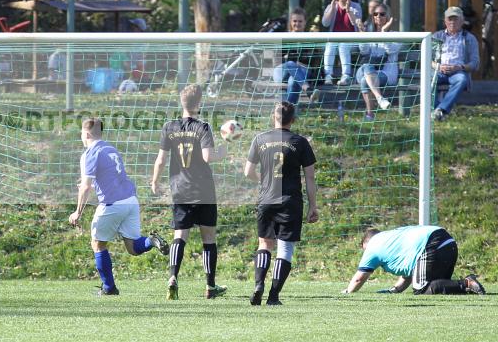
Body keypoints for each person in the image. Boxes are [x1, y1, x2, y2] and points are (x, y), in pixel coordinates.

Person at [69, 118, 168, 296]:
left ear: (87, 133)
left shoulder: (90, 153)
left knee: (98, 244)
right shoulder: (110, 148)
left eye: (82, 133)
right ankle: (151, 241)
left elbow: (86, 186)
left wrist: (78, 211)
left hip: (112, 204)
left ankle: (109, 288)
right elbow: (107, 175)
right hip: (130, 201)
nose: (81, 137)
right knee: (133, 247)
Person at [151, 85, 228, 300]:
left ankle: (173, 277)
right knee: (208, 238)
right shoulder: (202, 127)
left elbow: (161, 159)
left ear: (181, 102)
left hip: (179, 189)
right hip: (203, 190)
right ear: (199, 103)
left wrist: (155, 180)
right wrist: (222, 152)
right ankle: (210, 287)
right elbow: (207, 157)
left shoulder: (169, 127)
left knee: (179, 235)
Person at [244, 101, 318, 306]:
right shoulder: (300, 142)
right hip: (290, 201)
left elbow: (247, 172)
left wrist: (264, 181)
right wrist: (313, 206)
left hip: (266, 199)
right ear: (293, 120)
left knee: (264, 244)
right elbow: (310, 178)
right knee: (285, 249)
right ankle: (273, 296)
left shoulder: (260, 139)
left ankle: (258, 284)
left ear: (273, 118)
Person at [342, 225, 486, 296]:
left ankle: (467, 282)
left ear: (365, 244)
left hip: (432, 243)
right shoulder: (391, 239)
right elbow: (411, 271)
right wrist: (395, 290)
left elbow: (359, 279)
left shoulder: (373, 245)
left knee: (421, 288)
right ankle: (469, 286)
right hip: (448, 242)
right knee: (436, 287)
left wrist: (348, 292)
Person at [431, 6, 480, 121]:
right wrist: (438, 66)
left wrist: (459, 67)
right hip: (439, 71)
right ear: (445, 21)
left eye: (456, 19)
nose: (452, 22)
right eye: (450, 19)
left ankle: (440, 110)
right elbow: (427, 59)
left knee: (462, 80)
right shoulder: (436, 36)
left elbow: (475, 63)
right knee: (427, 80)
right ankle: (437, 111)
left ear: (462, 21)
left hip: (458, 72)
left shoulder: (469, 38)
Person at [355, 2, 399, 121]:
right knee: (367, 67)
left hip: (386, 73)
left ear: (388, 17)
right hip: (365, 70)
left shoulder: (396, 35)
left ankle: (370, 115)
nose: (378, 16)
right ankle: (380, 98)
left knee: (365, 80)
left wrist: (384, 33)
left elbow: (390, 50)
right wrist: (362, 34)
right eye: (375, 14)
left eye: (382, 14)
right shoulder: (370, 34)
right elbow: (364, 51)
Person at [272, 7, 320, 105]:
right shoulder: (285, 37)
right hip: (282, 71)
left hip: (302, 70)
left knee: (293, 80)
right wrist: (295, 61)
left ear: (305, 22)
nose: (297, 24)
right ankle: (307, 89)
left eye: (300, 21)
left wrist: (292, 59)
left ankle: (289, 110)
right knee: (290, 64)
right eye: (294, 21)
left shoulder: (310, 39)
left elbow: (312, 59)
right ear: (290, 22)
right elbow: (277, 59)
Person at [321, 0, 363, 86]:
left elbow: (356, 23)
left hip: (352, 42)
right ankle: (328, 76)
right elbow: (325, 23)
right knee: (330, 45)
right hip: (334, 41)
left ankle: (346, 76)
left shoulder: (356, 6)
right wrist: (332, 9)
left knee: (343, 44)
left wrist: (348, 10)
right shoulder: (331, 6)